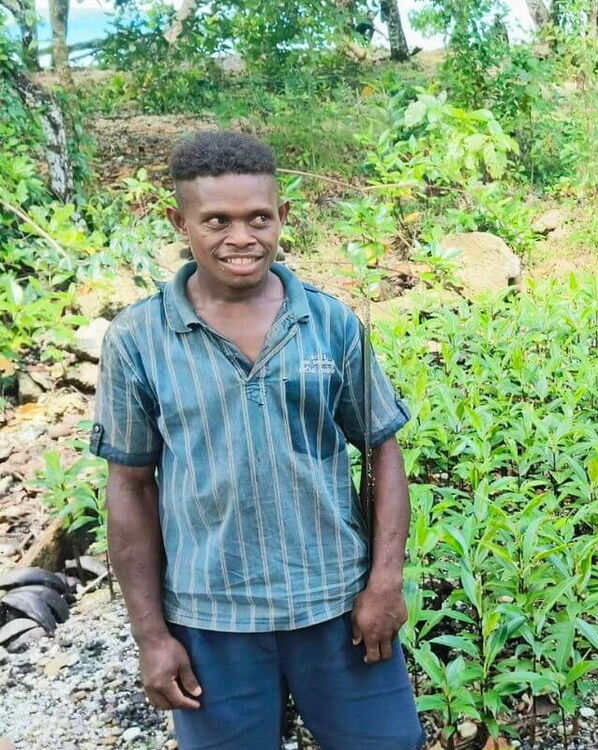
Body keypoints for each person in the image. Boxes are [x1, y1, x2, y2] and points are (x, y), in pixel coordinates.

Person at [91, 130, 424, 750]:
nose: (240, 238)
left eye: (258, 218)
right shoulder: (138, 339)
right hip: (209, 620)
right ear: (179, 222)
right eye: (216, 220)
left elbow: (381, 449)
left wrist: (385, 582)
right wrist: (152, 636)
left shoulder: (329, 322)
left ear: (283, 218)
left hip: (336, 607)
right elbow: (130, 486)